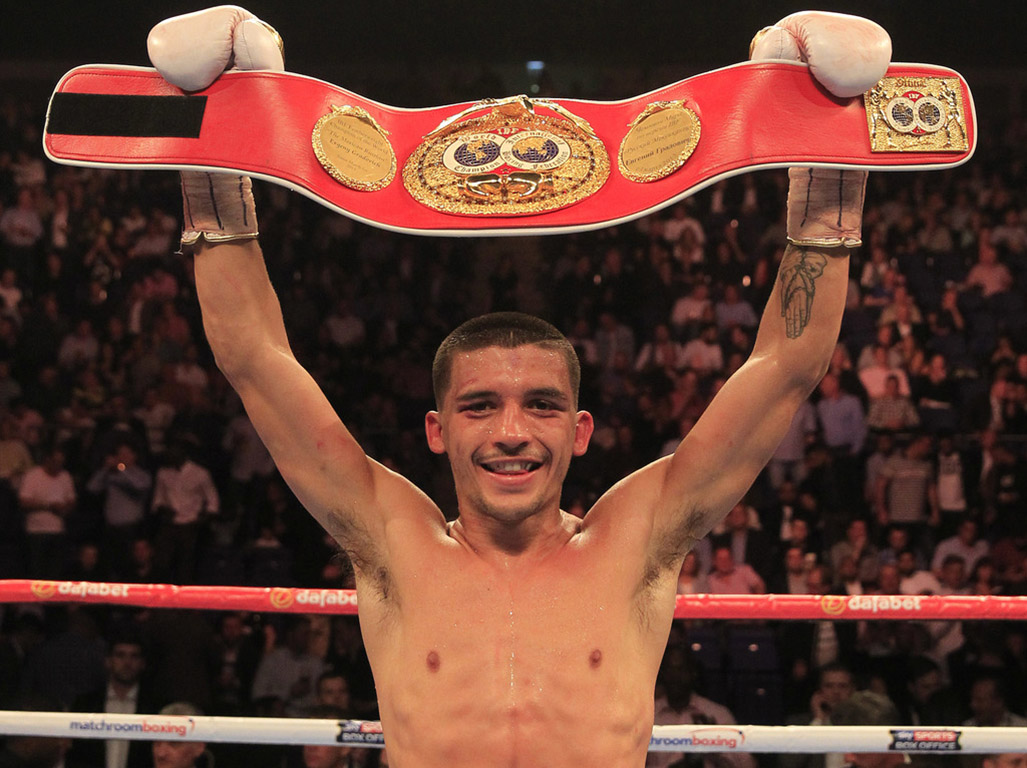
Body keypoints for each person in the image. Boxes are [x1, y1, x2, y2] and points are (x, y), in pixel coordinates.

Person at [146, 6, 888, 765]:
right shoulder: (391, 541)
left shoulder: (637, 541)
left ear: (580, 430)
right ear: (437, 430)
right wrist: (213, 156)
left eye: (541, 404)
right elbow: (255, 359)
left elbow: (785, 369)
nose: (510, 431)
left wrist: (825, 157)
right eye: (479, 405)